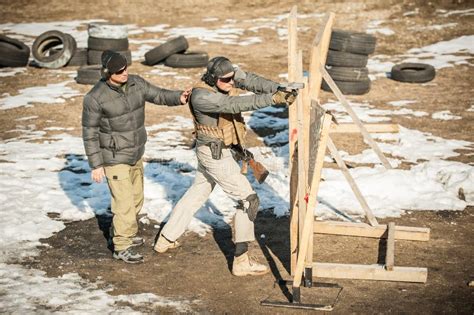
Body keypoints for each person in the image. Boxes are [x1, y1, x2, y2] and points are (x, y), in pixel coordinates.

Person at [154, 56, 295, 276]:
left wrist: (279, 88)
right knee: (249, 200)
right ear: (212, 78)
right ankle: (241, 262)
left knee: (196, 194)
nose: (231, 83)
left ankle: (165, 239)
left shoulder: (224, 77)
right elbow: (234, 104)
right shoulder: (201, 97)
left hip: (216, 151)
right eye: (226, 80)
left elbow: (251, 81)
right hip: (214, 155)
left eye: (232, 78)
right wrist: (275, 99)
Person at [82, 50, 191, 264]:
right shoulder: (95, 98)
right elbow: (89, 132)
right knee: (124, 204)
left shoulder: (136, 84)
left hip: (135, 152)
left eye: (125, 68)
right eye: (119, 71)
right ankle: (122, 246)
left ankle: (124, 233)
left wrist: (178, 97)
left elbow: (158, 94)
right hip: (114, 158)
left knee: (136, 200)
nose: (125, 73)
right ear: (107, 73)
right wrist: (96, 164)